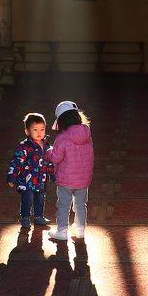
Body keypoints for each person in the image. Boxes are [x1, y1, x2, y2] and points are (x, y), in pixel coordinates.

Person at [45, 99, 94, 243]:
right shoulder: (87, 134)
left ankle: (61, 231)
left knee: (63, 205)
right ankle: (80, 229)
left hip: (66, 180)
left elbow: (55, 158)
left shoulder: (62, 137)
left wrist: (48, 151)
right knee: (80, 204)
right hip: (83, 180)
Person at [7, 112, 54, 229]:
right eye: (35, 130)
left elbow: (49, 161)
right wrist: (12, 176)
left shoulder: (47, 146)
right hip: (26, 181)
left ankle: (38, 217)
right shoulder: (24, 147)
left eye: (42, 129)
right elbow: (17, 162)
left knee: (40, 199)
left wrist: (52, 173)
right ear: (27, 131)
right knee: (27, 200)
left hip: (41, 180)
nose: (39, 133)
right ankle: (25, 217)